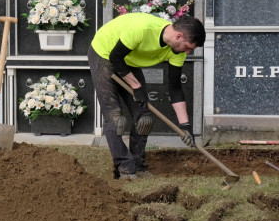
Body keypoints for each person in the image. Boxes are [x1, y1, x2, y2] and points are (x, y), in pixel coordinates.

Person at [88, 13, 206, 180]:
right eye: (188, 47)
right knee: (115, 118)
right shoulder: (142, 30)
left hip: (128, 60)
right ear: (179, 36)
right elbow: (115, 57)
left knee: (144, 119)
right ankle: (125, 169)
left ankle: (139, 166)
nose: (187, 52)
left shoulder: (177, 52)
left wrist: (185, 126)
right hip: (104, 53)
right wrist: (136, 86)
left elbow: (175, 87)